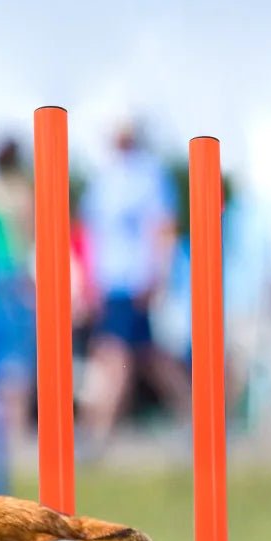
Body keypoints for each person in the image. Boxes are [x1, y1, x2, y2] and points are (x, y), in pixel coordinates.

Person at [76, 118, 189, 451]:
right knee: (146, 357)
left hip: (135, 280)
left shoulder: (150, 175)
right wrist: (90, 282)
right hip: (111, 283)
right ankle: (197, 415)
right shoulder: (104, 178)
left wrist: (158, 275)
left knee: (114, 356)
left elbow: (162, 228)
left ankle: (96, 434)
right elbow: (91, 235)